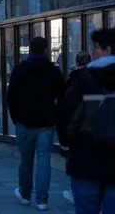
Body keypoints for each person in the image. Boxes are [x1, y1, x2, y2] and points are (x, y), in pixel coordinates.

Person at [58, 29, 115, 213]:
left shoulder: (84, 80)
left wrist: (66, 146)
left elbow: (67, 116)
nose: (92, 52)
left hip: (86, 158)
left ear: (108, 49)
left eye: (96, 48)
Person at [7, 37, 66, 211]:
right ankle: (42, 199)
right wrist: (54, 116)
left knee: (26, 161)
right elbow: (62, 96)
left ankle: (25, 194)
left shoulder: (20, 70)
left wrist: (16, 118)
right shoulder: (53, 71)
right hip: (46, 123)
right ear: (46, 50)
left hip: (24, 122)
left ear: (30, 50)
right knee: (43, 161)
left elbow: (11, 98)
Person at [57, 50, 91, 206]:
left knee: (73, 161)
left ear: (77, 62)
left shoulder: (72, 81)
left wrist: (63, 136)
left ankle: (73, 192)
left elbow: (65, 109)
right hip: (92, 128)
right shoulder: (96, 79)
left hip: (74, 128)